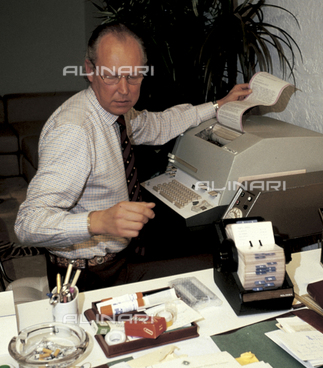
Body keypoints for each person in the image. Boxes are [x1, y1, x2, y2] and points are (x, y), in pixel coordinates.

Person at [14, 23, 251, 292]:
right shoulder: (75, 131)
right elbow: (27, 223)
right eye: (112, 76)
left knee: (200, 242)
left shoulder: (115, 111)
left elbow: (157, 124)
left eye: (134, 76)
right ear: (90, 71)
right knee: (216, 264)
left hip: (119, 251)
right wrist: (98, 221)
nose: (124, 90)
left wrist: (219, 105)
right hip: (91, 275)